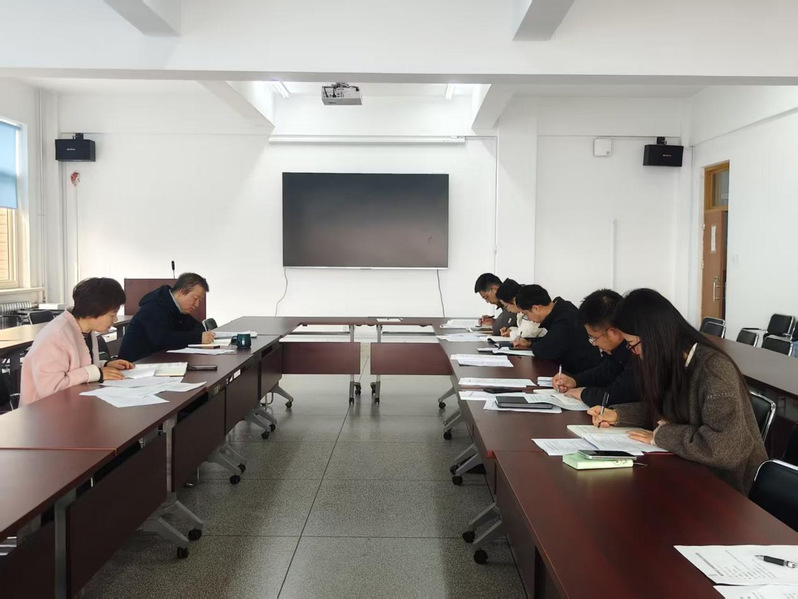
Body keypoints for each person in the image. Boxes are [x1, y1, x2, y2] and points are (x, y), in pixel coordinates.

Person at [588, 288, 767, 494]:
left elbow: (725, 447)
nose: (634, 352)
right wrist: (619, 415)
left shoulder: (713, 371)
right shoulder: (673, 362)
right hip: (692, 471)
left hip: (728, 490)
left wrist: (662, 436)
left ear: (653, 336)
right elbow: (664, 412)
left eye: (632, 344)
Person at [20, 277, 134, 406]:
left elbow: (75, 366)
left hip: (73, 406)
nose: (115, 320)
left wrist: (105, 365)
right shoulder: (56, 335)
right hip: (44, 412)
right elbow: (51, 388)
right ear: (93, 311)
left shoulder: (85, 329)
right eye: (112, 315)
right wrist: (97, 372)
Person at [551, 289, 637, 407]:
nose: (594, 344)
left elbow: (613, 397)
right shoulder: (616, 350)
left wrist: (583, 393)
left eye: (594, 337)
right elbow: (604, 372)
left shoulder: (637, 352)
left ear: (614, 333)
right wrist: (575, 380)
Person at [119, 272, 215, 362]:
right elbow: (162, 339)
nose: (197, 304)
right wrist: (198, 338)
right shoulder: (154, 307)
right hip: (135, 364)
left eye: (200, 300)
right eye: (195, 298)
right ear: (182, 292)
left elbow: (198, 327)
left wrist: (199, 336)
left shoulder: (176, 307)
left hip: (157, 360)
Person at [515, 284, 601, 373]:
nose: (528, 318)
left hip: (583, 374)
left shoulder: (565, 319)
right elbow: (551, 339)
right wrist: (530, 342)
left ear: (536, 308)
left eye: (526, 314)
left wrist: (532, 344)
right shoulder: (562, 308)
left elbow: (544, 350)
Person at [495, 278, 546, 344]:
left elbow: (525, 335)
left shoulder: (531, 308)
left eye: (506, 306)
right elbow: (522, 329)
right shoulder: (521, 313)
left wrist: (511, 333)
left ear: (514, 300)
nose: (508, 310)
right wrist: (511, 329)